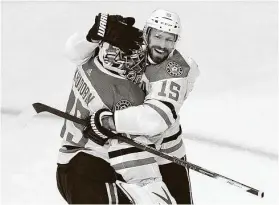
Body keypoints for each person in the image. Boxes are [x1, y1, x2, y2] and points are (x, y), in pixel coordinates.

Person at [56, 13, 176, 204]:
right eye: (130, 58)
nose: (136, 63)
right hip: (91, 173)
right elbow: (150, 133)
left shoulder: (87, 62)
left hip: (68, 164)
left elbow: (72, 50)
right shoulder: (127, 94)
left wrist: (93, 37)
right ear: (115, 59)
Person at [90, 9, 200, 204]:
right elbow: (75, 55)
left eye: (170, 39)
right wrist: (92, 39)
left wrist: (110, 122)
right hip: (132, 148)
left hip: (166, 154)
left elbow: (155, 120)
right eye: (158, 36)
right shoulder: (130, 47)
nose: (163, 45)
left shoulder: (175, 69)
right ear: (146, 33)